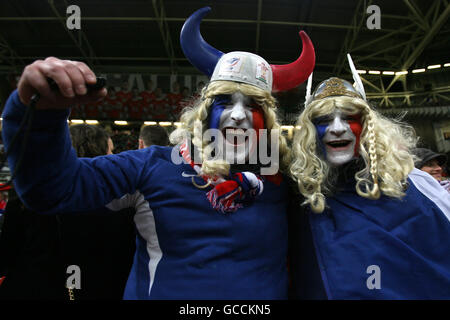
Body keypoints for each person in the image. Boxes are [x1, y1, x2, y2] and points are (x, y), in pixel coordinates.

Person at [2, 6, 314, 299]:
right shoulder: (152, 166)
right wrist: (41, 117)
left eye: (252, 105)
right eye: (225, 102)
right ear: (205, 112)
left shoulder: (285, 179)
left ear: (269, 121)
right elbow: (54, 190)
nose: (237, 115)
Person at [288, 57, 450, 299]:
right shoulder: (301, 195)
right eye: (324, 121)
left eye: (349, 118)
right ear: (311, 134)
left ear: (368, 128)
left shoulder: (416, 184)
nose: (337, 128)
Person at [0, 124, 136, 300]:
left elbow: (7, 255)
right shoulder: (121, 205)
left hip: (32, 289)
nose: (113, 156)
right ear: (100, 155)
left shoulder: (28, 196)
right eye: (110, 151)